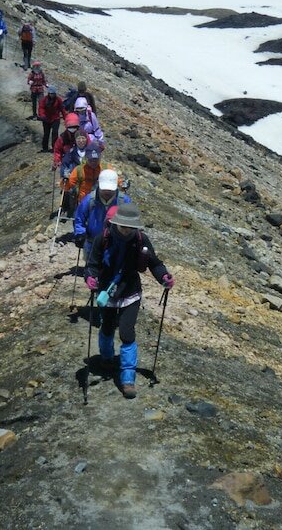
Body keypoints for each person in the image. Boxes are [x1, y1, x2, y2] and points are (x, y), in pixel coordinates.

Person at [85, 202, 173, 399]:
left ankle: (127, 378)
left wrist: (164, 277)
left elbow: (154, 263)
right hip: (107, 292)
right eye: (123, 226)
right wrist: (90, 278)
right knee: (107, 327)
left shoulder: (141, 240)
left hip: (130, 292)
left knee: (127, 332)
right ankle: (107, 358)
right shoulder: (103, 239)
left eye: (130, 227)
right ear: (115, 223)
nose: (126, 230)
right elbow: (92, 264)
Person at [74, 168, 131, 263]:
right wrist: (80, 233)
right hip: (92, 242)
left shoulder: (124, 201)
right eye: (104, 189)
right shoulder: (90, 200)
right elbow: (79, 218)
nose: (107, 192)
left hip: (116, 243)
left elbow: (130, 222)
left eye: (110, 189)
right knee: (92, 269)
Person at [38, 86, 65, 152]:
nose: (51, 95)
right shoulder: (44, 99)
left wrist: (66, 117)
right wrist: (42, 115)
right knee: (46, 133)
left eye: (53, 94)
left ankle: (55, 148)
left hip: (55, 118)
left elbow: (62, 109)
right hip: (46, 119)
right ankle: (45, 148)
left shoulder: (58, 100)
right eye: (50, 93)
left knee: (55, 133)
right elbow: (41, 108)